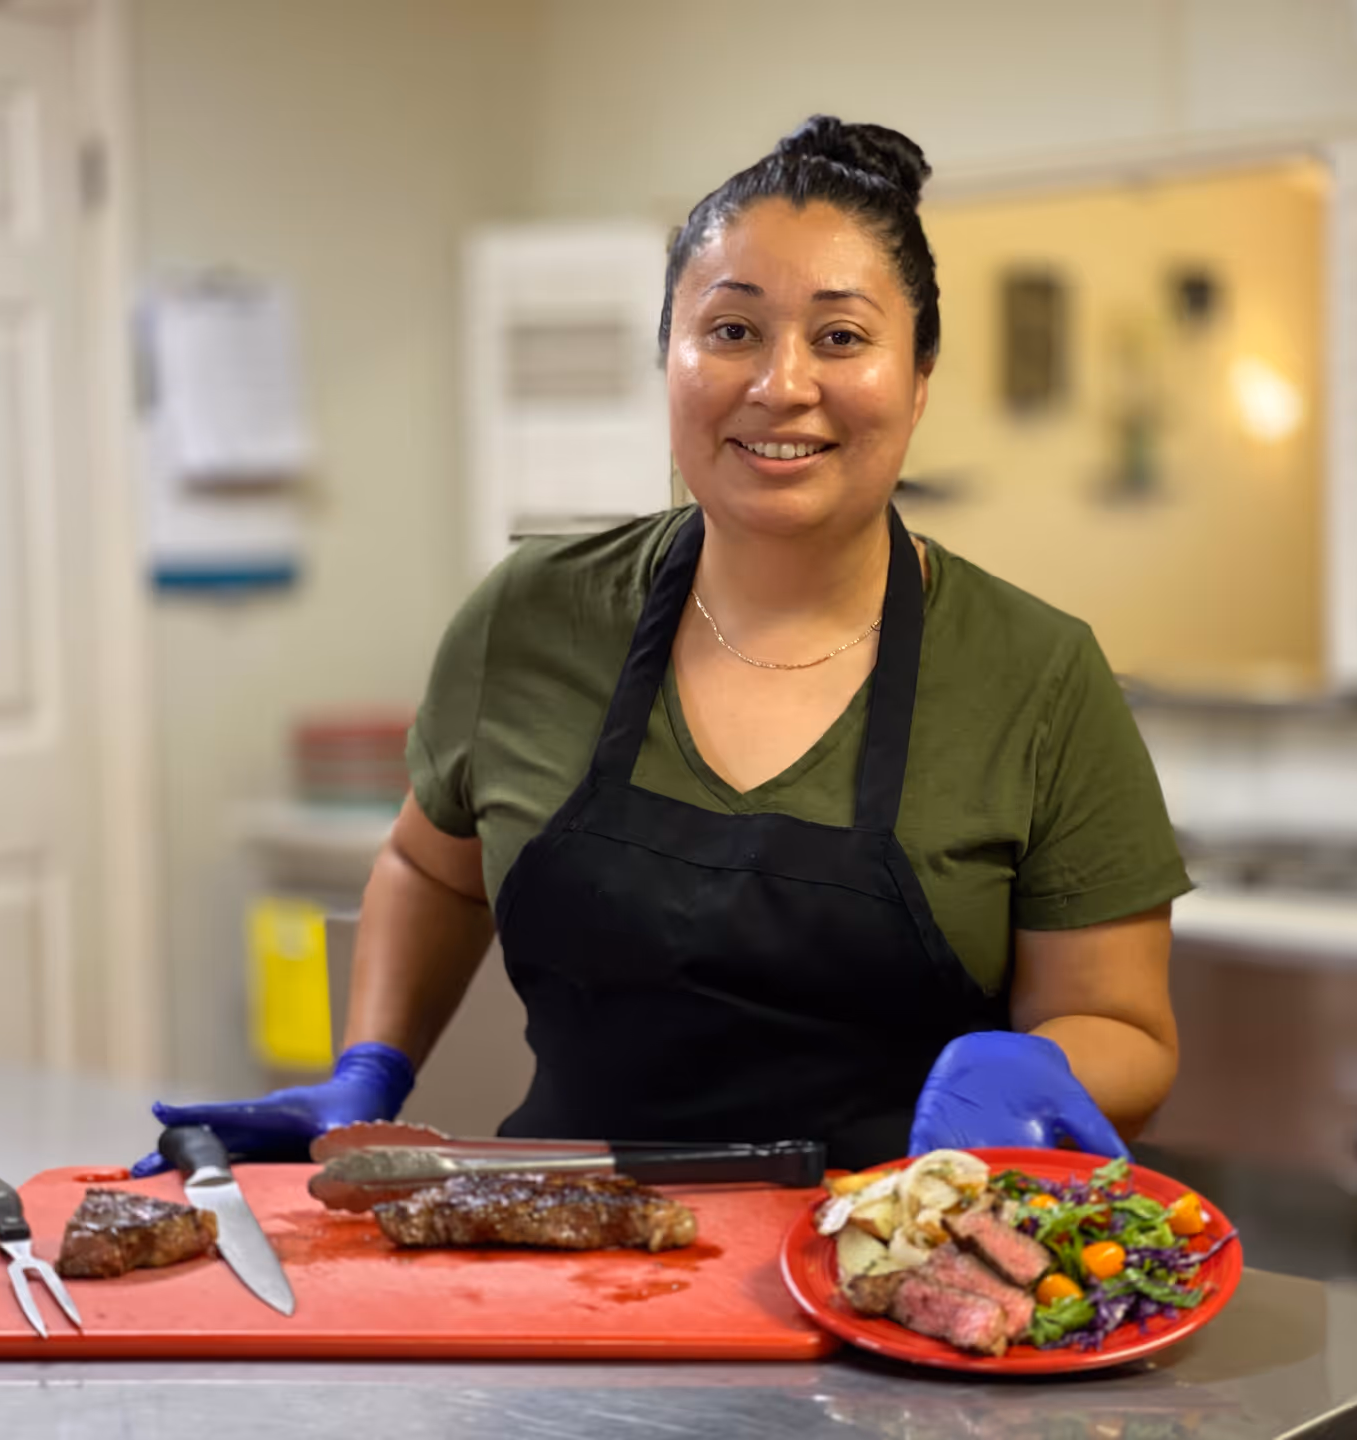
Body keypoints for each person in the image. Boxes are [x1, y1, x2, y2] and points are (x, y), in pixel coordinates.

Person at [133, 116, 1190, 1178]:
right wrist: (369, 1062)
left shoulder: (1039, 677)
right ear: (669, 364)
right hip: (559, 1247)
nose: (782, 384)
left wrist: (1039, 1069)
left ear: (918, 381)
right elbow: (428, 862)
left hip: (894, 1275)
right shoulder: (535, 614)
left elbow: (1127, 1030)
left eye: (840, 336)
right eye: (731, 331)